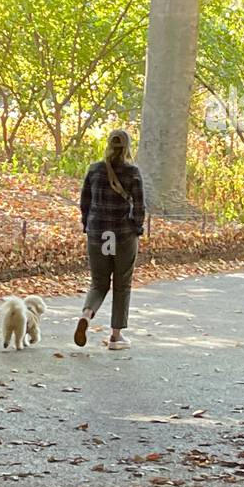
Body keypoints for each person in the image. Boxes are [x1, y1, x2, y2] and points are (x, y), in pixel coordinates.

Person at [75, 129, 145, 351]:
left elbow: (84, 202)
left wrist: (88, 224)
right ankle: (116, 337)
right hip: (123, 234)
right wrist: (137, 226)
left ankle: (87, 314)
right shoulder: (132, 172)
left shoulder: (94, 170)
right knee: (122, 284)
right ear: (127, 147)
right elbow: (140, 205)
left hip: (97, 233)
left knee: (98, 282)